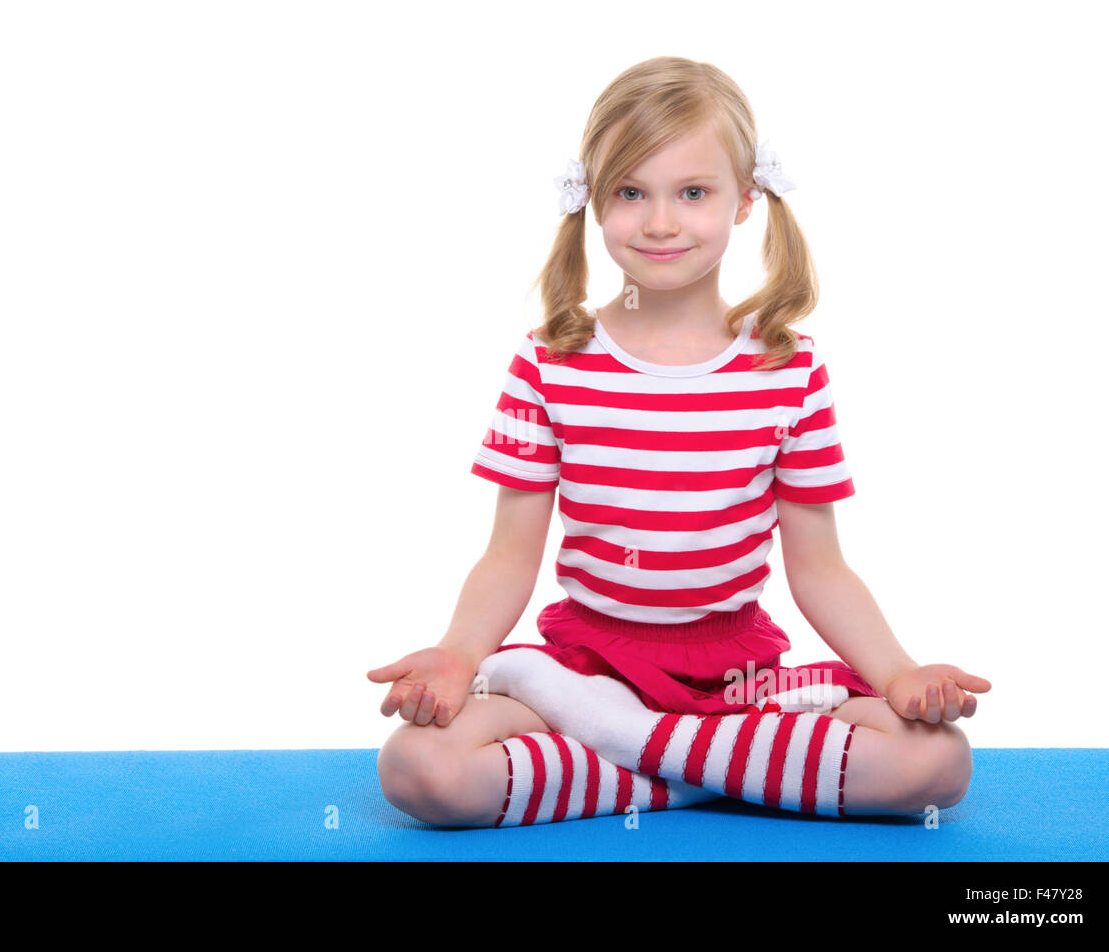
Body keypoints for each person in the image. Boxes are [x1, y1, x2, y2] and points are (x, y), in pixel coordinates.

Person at [367, 56, 991, 828]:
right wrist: (459, 654)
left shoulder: (788, 368)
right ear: (593, 200)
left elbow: (821, 567)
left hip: (738, 688)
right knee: (418, 767)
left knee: (936, 761)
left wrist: (897, 672)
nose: (660, 222)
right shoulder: (548, 361)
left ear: (745, 199)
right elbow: (508, 554)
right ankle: (721, 771)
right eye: (631, 192)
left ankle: (633, 757)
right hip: (583, 673)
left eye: (692, 192)